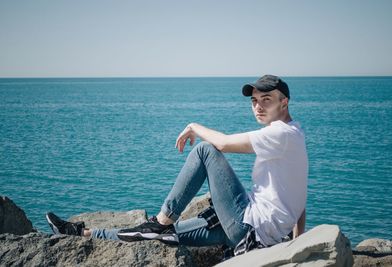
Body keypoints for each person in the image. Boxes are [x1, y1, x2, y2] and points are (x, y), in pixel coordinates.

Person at [46, 74, 308, 251]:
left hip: (247, 226)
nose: (258, 107)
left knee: (205, 150)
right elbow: (298, 196)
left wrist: (193, 126)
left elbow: (224, 144)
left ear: (284, 102)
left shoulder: (281, 134)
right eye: (254, 101)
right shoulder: (295, 134)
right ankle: (81, 233)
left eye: (266, 100)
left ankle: (162, 219)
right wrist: (296, 242)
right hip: (251, 229)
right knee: (162, 237)